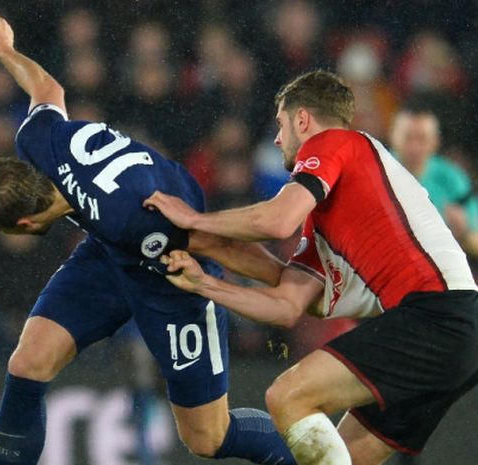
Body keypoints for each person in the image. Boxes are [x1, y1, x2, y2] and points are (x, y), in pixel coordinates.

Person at [0, 11, 296, 465]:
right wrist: (4, 50)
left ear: (24, 225)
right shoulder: (40, 141)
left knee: (209, 439)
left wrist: (289, 282)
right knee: (27, 363)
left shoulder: (127, 216)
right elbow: (48, 90)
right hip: (112, 250)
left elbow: (215, 244)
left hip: (171, 270)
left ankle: (309, 455)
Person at [145, 70, 478, 465]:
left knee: (287, 396)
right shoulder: (329, 213)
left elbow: (274, 222)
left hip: (436, 316)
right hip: (453, 330)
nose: (277, 138)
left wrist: (193, 220)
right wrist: (204, 285)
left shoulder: (334, 142)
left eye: (280, 125)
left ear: (302, 120)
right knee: (346, 457)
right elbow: (287, 304)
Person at [390, 104, 478, 257]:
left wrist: (463, 232)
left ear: (435, 141)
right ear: (392, 136)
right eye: (407, 138)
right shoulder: (373, 171)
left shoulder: (452, 180)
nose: (414, 147)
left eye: (422, 139)